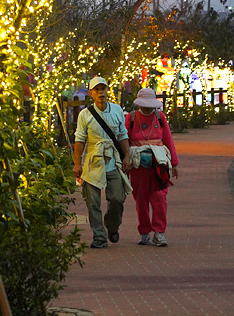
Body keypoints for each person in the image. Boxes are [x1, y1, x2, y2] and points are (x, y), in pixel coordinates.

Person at [73, 76, 132, 248]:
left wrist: (126, 155)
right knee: (93, 202)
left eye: (103, 89)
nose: (101, 92)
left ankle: (112, 226)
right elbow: (79, 140)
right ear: (91, 93)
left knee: (116, 198)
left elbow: (122, 135)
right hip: (93, 160)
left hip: (113, 161)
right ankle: (99, 236)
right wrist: (77, 163)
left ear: (107, 90)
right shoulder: (85, 115)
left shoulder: (117, 111)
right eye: (97, 90)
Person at [125, 87, 179, 247]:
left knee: (160, 198)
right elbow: (125, 140)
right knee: (140, 199)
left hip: (159, 164)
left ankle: (159, 232)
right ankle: (144, 231)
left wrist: (174, 164)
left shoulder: (159, 117)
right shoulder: (131, 118)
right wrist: (125, 161)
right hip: (138, 166)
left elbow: (168, 139)